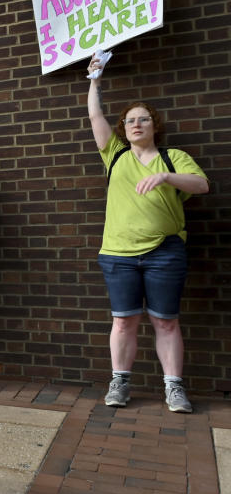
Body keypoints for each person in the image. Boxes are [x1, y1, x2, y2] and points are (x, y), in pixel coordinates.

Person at [86, 54, 208, 413]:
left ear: (155, 125)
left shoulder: (173, 158)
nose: (136, 124)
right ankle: (120, 382)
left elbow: (201, 185)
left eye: (143, 119)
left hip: (164, 252)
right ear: (122, 128)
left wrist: (167, 177)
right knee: (123, 321)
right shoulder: (115, 155)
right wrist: (94, 80)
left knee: (166, 322)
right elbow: (95, 115)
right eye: (129, 120)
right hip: (118, 253)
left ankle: (174, 388)